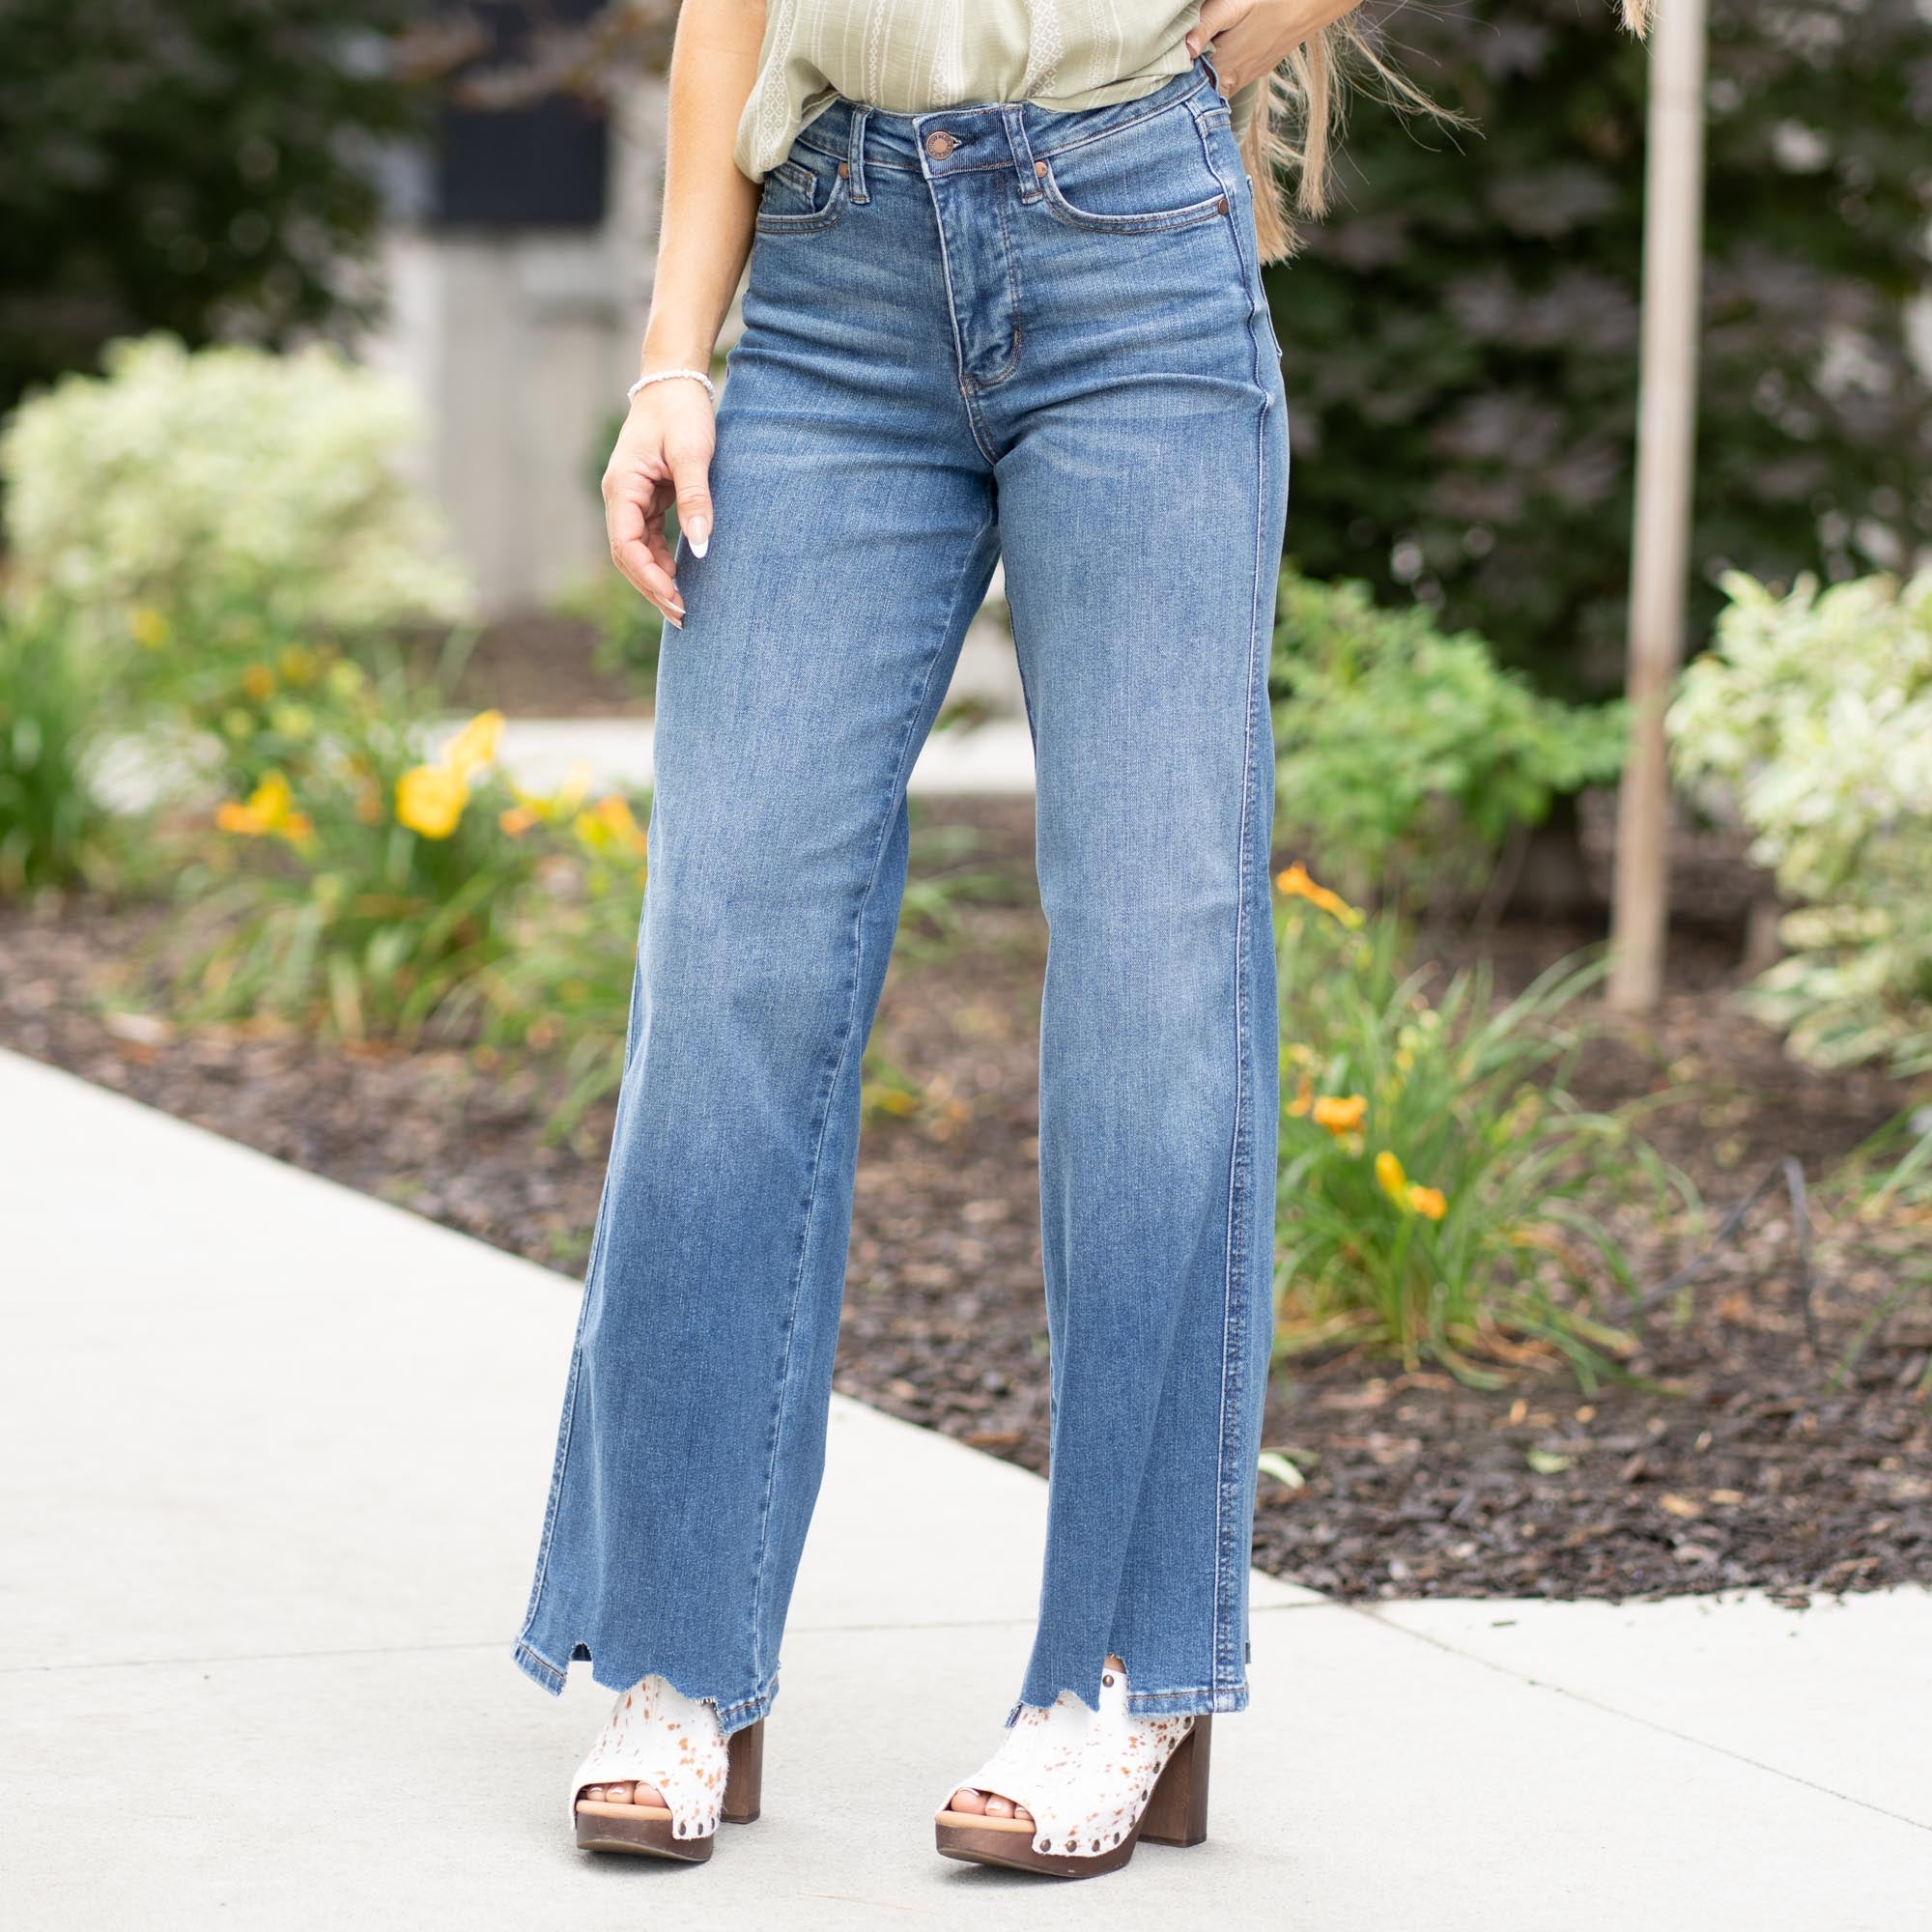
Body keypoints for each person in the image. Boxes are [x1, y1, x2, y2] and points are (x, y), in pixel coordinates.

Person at [513, 0, 1644, 1882]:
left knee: (1154, 977)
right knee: (726, 959)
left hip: (1136, 260)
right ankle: (674, 1654)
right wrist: (669, 359)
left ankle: (1124, 1671)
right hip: (828, 277)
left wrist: (1264, 30)